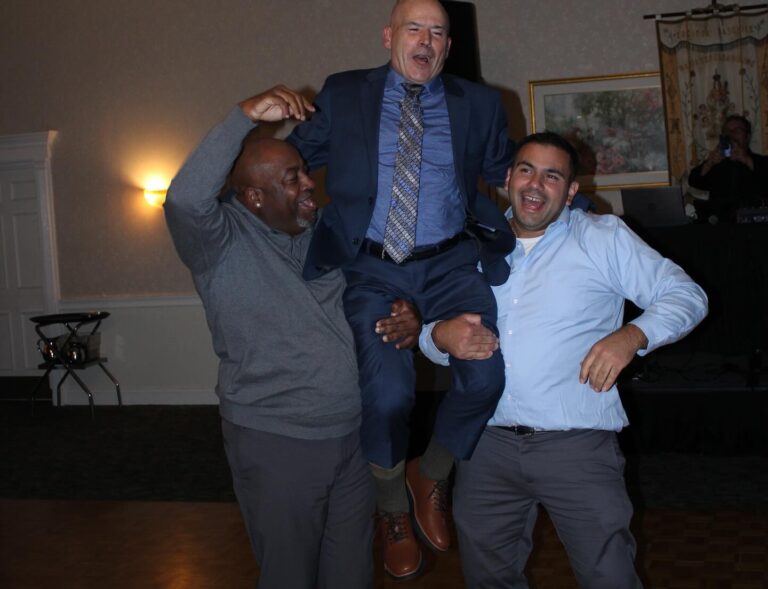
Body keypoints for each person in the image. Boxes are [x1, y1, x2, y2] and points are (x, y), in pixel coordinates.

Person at [286, 0, 515, 577]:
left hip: (451, 267)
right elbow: (289, 161)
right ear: (389, 35)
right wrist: (232, 176)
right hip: (374, 268)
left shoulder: (480, 104)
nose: (426, 41)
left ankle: (431, 472)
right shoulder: (344, 93)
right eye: (414, 28)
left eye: (438, 32)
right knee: (388, 396)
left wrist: (576, 206)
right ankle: (391, 508)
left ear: (448, 46)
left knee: (486, 376)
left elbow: (511, 174)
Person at [420, 132, 708, 588]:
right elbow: (426, 328)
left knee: (609, 578)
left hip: (576, 448)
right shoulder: (470, 243)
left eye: (552, 176)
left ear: (571, 191)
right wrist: (440, 335)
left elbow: (687, 296)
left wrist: (632, 336)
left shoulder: (601, 237)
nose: (536, 184)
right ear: (508, 179)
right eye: (527, 170)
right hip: (485, 448)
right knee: (487, 580)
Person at [164, 86, 421, 589]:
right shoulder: (220, 243)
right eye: (292, 179)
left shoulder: (325, 232)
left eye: (304, 171)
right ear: (254, 197)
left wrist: (410, 317)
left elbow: (377, 292)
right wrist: (242, 117)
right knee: (290, 576)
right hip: (277, 441)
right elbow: (185, 199)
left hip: (352, 436)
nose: (308, 184)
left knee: (352, 575)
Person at [689, 114, 768, 223]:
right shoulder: (716, 163)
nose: (732, 134)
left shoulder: (760, 162)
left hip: (753, 223)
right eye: (727, 131)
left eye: (737, 130)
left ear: (748, 136)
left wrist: (746, 159)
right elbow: (694, 181)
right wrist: (709, 163)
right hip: (720, 225)